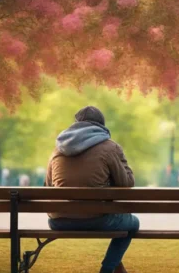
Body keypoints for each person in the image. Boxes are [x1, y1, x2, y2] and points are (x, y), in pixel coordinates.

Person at [46, 106, 137, 273]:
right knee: (133, 223)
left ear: (75, 124)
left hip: (59, 220)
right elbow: (127, 182)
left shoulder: (57, 149)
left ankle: (115, 266)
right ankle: (108, 269)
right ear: (101, 125)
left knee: (121, 220)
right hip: (99, 219)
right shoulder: (110, 147)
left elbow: (47, 185)